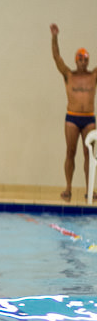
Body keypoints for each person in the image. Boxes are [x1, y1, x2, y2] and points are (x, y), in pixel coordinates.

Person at [50, 23, 97, 202]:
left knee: (90, 154)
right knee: (70, 152)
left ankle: (90, 189)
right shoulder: (69, 75)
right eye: (80, 60)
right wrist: (54, 37)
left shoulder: (93, 75)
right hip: (72, 118)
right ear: (76, 60)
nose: (83, 63)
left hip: (89, 119)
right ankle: (68, 188)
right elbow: (56, 57)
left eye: (86, 60)